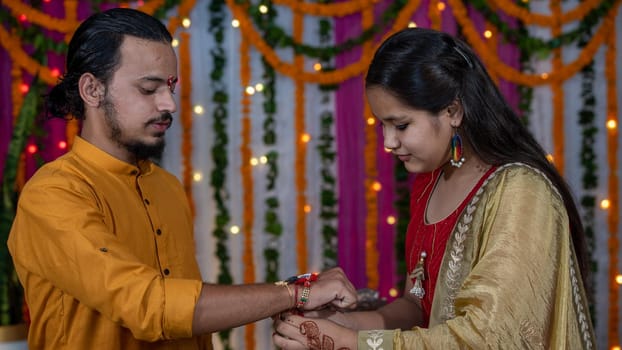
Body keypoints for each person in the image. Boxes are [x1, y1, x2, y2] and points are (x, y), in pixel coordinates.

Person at [7, 8, 358, 349]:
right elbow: (149, 306)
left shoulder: (166, 187)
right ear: (92, 90)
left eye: (170, 87)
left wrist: (287, 302)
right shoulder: (54, 194)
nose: (169, 104)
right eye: (149, 89)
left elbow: (189, 327)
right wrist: (296, 293)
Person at [273, 27, 596, 349]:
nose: (388, 142)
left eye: (401, 125)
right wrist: (341, 325)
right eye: (382, 125)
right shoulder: (429, 183)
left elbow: (495, 337)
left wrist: (353, 342)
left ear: (452, 111)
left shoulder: (521, 192)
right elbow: (417, 305)